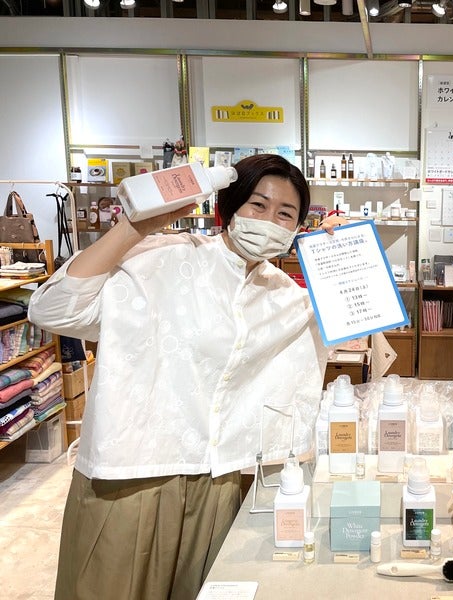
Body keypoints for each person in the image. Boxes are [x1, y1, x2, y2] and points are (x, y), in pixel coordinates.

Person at [29, 153, 346, 600]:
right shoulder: (162, 257)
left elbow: (354, 325)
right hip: (130, 474)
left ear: (296, 228)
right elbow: (52, 310)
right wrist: (134, 228)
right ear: (230, 206)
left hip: (217, 482)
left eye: (285, 214)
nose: (269, 221)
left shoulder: (284, 296)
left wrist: (346, 258)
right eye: (258, 205)